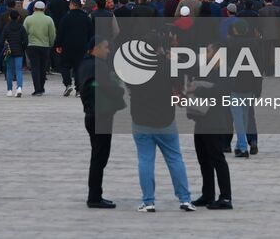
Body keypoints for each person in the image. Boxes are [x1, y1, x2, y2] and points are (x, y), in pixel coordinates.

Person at [126, 43, 195, 212]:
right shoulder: (168, 66)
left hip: (141, 119)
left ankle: (148, 201)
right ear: (160, 49)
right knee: (175, 158)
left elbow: (129, 88)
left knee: (145, 160)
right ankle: (185, 199)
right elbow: (180, 91)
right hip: (165, 120)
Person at [77, 37, 124, 208]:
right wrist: (119, 90)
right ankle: (95, 197)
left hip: (91, 114)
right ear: (95, 48)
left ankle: (96, 194)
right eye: (105, 47)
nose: (108, 51)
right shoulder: (99, 66)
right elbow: (112, 88)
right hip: (101, 115)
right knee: (99, 157)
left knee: (97, 155)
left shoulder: (85, 64)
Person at [190, 39, 233, 208]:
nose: (206, 54)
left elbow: (221, 91)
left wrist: (198, 89)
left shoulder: (225, 71)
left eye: (208, 51)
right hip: (201, 120)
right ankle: (207, 194)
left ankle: (225, 197)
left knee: (217, 159)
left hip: (215, 121)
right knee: (204, 160)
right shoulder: (207, 70)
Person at [56, 0, 94, 96]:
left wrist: (58, 45)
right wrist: (90, 47)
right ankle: (78, 90)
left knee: (64, 66)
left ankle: (68, 84)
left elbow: (60, 32)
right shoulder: (86, 18)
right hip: (82, 47)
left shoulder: (66, 18)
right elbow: (91, 34)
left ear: (72, 5)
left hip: (67, 46)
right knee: (79, 68)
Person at [24, 0, 56, 95]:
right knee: (43, 67)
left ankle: (37, 88)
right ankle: (41, 87)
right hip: (45, 46)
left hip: (32, 45)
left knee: (35, 68)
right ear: (44, 8)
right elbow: (52, 34)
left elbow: (24, 33)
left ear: (34, 8)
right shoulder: (48, 19)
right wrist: (50, 44)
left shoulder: (28, 19)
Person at [1, 3, 27, 97]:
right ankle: (19, 87)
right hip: (19, 50)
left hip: (9, 51)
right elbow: (26, 40)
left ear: (9, 17)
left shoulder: (6, 27)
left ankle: (9, 90)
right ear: (18, 17)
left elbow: (2, 39)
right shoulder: (21, 27)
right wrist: (23, 48)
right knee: (19, 70)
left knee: (9, 70)